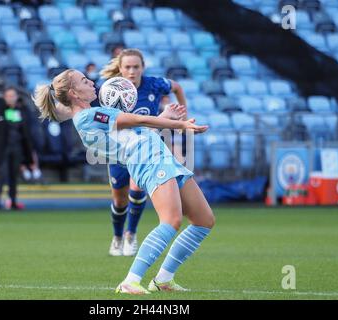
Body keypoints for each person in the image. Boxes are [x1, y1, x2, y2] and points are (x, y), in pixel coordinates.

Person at [33, 69, 215, 294]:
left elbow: (136, 131)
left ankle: (164, 279)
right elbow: (138, 119)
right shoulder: (90, 116)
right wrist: (181, 125)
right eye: (84, 80)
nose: (91, 82)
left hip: (161, 158)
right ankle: (131, 280)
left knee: (204, 220)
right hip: (150, 162)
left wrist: (165, 117)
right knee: (171, 220)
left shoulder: (95, 115)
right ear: (74, 93)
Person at [99, 48, 188, 257]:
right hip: (118, 152)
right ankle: (117, 236)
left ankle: (131, 234)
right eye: (127, 67)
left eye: (136, 67)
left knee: (137, 191)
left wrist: (184, 114)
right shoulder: (111, 90)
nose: (132, 71)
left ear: (142, 67)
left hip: (145, 150)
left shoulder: (154, 84)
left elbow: (177, 87)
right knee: (120, 200)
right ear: (120, 68)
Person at [0, 87, 35, 210]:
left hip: (17, 147)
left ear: (17, 97)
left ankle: (12, 201)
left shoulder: (21, 112)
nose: (11, 98)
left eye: (13, 96)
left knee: (14, 175)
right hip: (3, 148)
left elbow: (25, 133)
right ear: (4, 97)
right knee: (2, 174)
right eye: (8, 96)